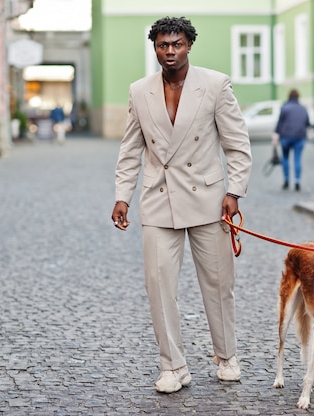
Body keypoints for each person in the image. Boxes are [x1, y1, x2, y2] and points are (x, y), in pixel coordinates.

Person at [110, 16, 252, 394]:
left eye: (176, 44)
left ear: (189, 45)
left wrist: (234, 192)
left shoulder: (215, 84)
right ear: (154, 47)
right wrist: (122, 195)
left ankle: (227, 357)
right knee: (158, 286)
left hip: (209, 200)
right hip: (158, 200)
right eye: (162, 45)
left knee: (219, 284)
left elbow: (236, 144)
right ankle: (173, 366)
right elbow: (130, 150)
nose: (169, 51)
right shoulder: (139, 91)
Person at [274, 89, 310, 191]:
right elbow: (307, 123)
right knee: (297, 159)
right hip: (300, 136)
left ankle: (286, 180)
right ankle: (297, 181)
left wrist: (276, 135)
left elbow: (279, 123)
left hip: (286, 136)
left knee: (285, 158)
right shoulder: (303, 108)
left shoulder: (285, 108)